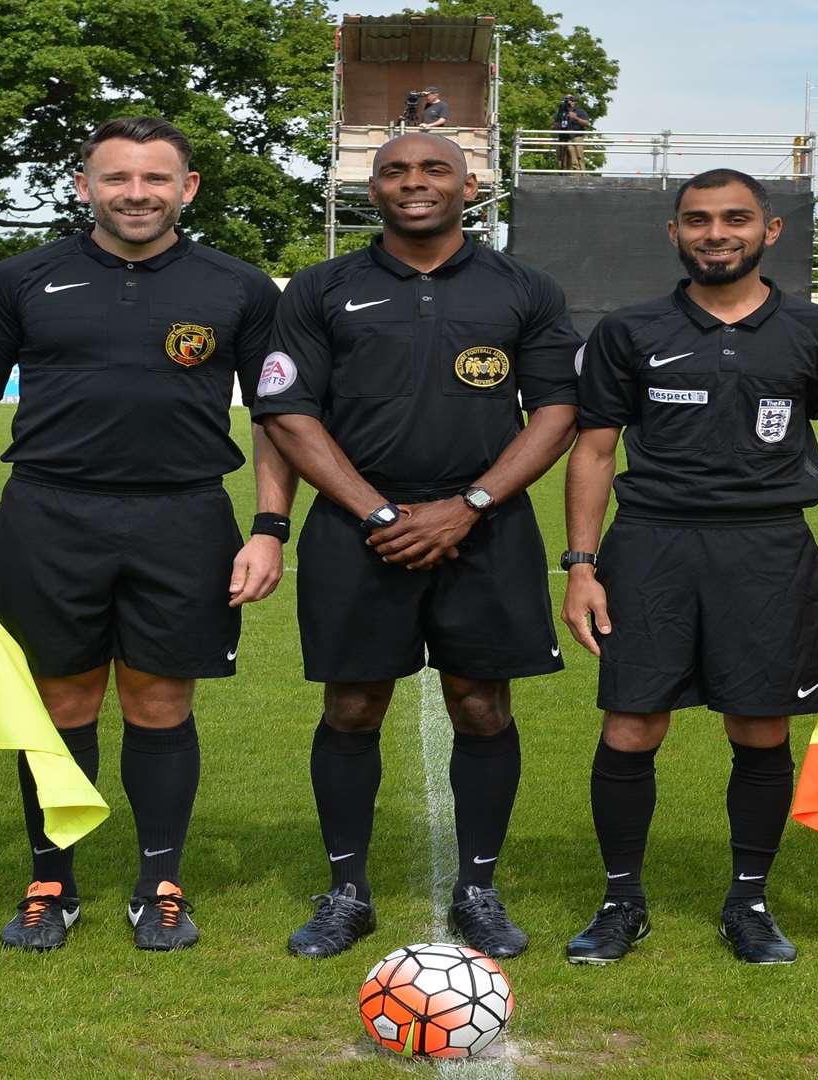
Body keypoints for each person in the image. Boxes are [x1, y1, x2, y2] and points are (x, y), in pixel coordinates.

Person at [0, 116, 291, 953]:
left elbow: (280, 415)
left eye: (156, 179)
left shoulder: (239, 287)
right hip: (50, 514)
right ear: (83, 186)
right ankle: (51, 883)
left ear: (187, 188)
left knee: (161, 701)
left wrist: (270, 526)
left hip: (185, 516)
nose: (137, 194)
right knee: (61, 702)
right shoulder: (19, 279)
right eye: (118, 178)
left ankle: (158, 882)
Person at [255, 131, 582, 960]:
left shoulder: (527, 288)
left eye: (434, 168)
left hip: (488, 530)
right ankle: (346, 893)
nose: (414, 183)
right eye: (395, 170)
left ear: (471, 186)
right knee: (353, 705)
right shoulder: (323, 288)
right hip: (356, 532)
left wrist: (467, 506)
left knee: (481, 703)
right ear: (372, 189)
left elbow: (555, 413)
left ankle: (477, 889)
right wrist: (378, 514)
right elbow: (290, 414)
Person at [560, 169, 818, 966]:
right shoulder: (629, 330)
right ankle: (621, 901)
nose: (715, 233)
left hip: (769, 549)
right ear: (674, 233)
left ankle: (750, 904)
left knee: (759, 727)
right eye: (697, 220)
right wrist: (581, 566)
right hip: (651, 544)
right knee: (630, 725)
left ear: (771, 231)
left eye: (735, 219)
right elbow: (592, 450)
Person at [554, 93, 592, 171]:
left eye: (571, 100)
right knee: (562, 161)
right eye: (566, 100)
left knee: (577, 160)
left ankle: (580, 179)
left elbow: (586, 123)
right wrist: (556, 125)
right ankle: (563, 179)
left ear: (575, 102)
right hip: (562, 138)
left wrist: (576, 117)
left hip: (575, 137)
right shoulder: (560, 112)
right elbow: (555, 125)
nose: (568, 102)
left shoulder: (580, 111)